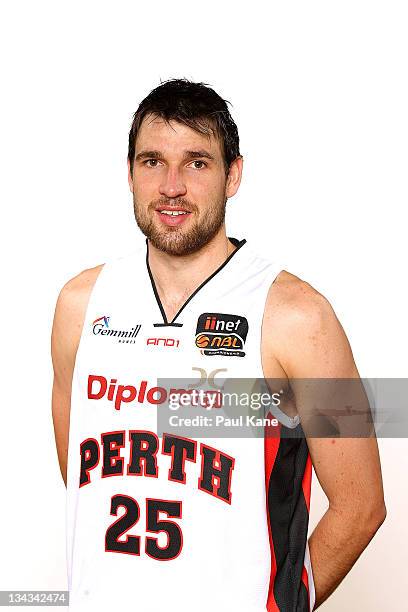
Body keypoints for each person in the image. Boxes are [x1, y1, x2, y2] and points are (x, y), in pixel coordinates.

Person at [51, 78, 386, 611]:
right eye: (152, 161)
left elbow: (361, 505)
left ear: (233, 175)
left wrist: (285, 604)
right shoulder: (80, 305)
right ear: (130, 173)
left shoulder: (297, 317)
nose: (172, 186)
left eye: (198, 163)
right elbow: (82, 479)